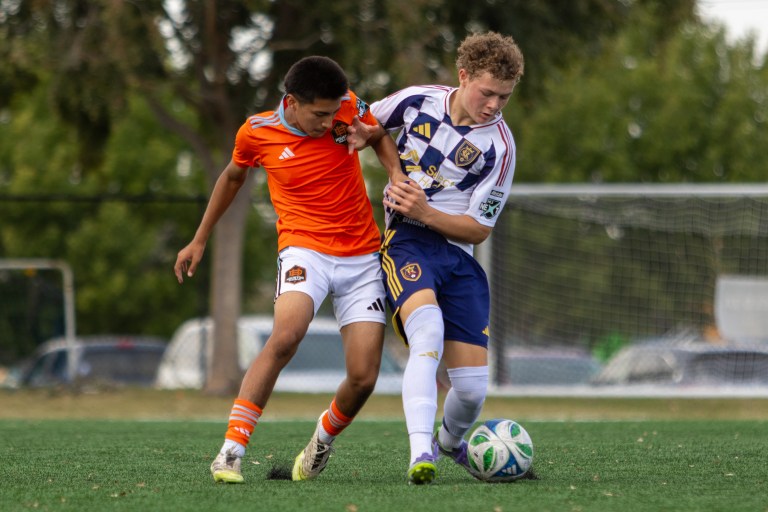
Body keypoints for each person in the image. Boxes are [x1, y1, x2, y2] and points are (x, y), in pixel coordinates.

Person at [174, 56, 401, 484]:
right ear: (291, 102)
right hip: (304, 249)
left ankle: (321, 442)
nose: (331, 120)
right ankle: (230, 451)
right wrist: (199, 237)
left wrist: (395, 173)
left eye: (335, 112)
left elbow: (378, 136)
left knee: (364, 376)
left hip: (362, 255)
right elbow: (231, 177)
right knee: (286, 335)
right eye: (320, 114)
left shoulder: (349, 104)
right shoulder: (256, 132)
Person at [369, 31, 525, 484]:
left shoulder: (501, 147)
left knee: (473, 391)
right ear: (463, 76)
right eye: (487, 92)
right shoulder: (419, 100)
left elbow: (480, 228)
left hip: (458, 257)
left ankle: (450, 443)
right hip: (406, 245)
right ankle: (421, 453)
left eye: (504, 97)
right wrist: (396, 171)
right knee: (428, 332)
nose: (495, 104)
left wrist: (427, 211)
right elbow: (367, 125)